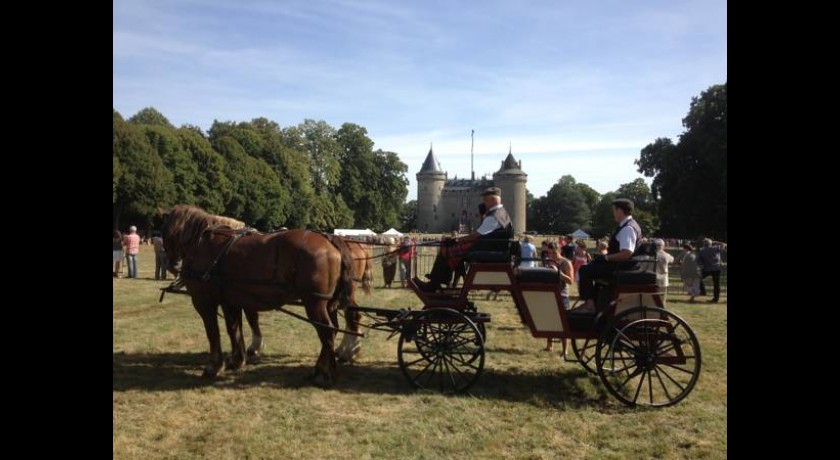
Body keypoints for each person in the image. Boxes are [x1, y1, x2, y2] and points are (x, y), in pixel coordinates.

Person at [415, 187, 513, 292]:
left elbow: (477, 235)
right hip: (492, 248)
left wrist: (457, 240)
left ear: (493, 200)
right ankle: (438, 281)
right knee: (447, 247)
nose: (484, 203)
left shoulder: (494, 216)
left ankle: (434, 283)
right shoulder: (501, 213)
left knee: (446, 249)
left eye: (485, 200)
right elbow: (482, 233)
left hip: (486, 249)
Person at [577, 198, 641, 309]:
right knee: (591, 266)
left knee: (585, 270)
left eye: (614, 210)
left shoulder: (628, 228)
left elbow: (627, 253)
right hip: (620, 266)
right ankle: (596, 301)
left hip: (621, 267)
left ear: (620, 211)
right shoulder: (627, 226)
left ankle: (590, 304)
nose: (613, 214)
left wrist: (606, 258)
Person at [543, 242, 574, 351]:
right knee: (550, 320)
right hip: (550, 294)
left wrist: (558, 272)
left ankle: (564, 349)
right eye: (550, 253)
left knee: (563, 323)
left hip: (562, 295)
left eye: (554, 253)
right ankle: (549, 345)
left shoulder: (566, 262)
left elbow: (570, 281)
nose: (552, 256)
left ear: (559, 251)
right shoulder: (548, 261)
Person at [698, 238, 725, 303]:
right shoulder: (716, 248)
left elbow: (699, 261)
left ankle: (703, 291)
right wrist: (716, 242)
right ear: (711, 243)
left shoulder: (702, 251)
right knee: (716, 284)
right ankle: (716, 299)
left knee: (698, 278)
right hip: (717, 269)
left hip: (707, 269)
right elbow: (723, 245)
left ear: (704, 244)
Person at [653, 238, 674, 304]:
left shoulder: (652, 255)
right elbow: (672, 259)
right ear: (663, 246)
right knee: (662, 300)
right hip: (663, 279)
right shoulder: (666, 255)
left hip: (653, 278)